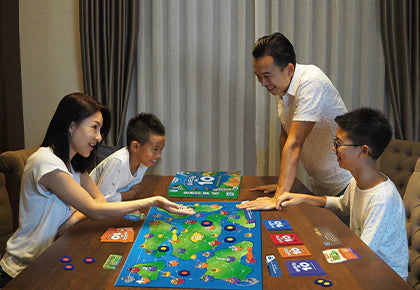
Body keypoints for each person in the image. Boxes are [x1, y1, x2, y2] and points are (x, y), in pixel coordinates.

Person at [0, 93, 194, 287]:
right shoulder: (45, 162)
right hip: (22, 271)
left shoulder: (74, 163)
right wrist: (154, 200)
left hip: (54, 257)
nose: (99, 137)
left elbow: (100, 201)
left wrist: (74, 218)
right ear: (71, 125)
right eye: (94, 127)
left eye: (100, 130)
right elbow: (95, 209)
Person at [275, 108, 408, 280]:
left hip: (386, 278)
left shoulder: (382, 199)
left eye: (338, 143)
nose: (333, 148)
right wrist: (303, 198)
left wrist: (321, 254)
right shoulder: (357, 181)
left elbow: (363, 251)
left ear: (363, 151)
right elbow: (342, 205)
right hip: (365, 264)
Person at [239, 32, 352, 211]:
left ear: (289, 69)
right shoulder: (282, 86)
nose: (263, 82)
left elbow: (295, 143)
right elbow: (286, 135)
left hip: (344, 187)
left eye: (267, 76)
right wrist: (282, 185)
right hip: (319, 186)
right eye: (258, 76)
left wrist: (278, 198)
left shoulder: (310, 82)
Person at [90, 113, 165, 202]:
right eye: (155, 149)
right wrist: (124, 195)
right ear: (135, 147)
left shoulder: (144, 162)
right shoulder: (117, 162)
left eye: (161, 149)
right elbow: (102, 198)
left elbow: (131, 190)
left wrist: (127, 194)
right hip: (86, 204)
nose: (159, 155)